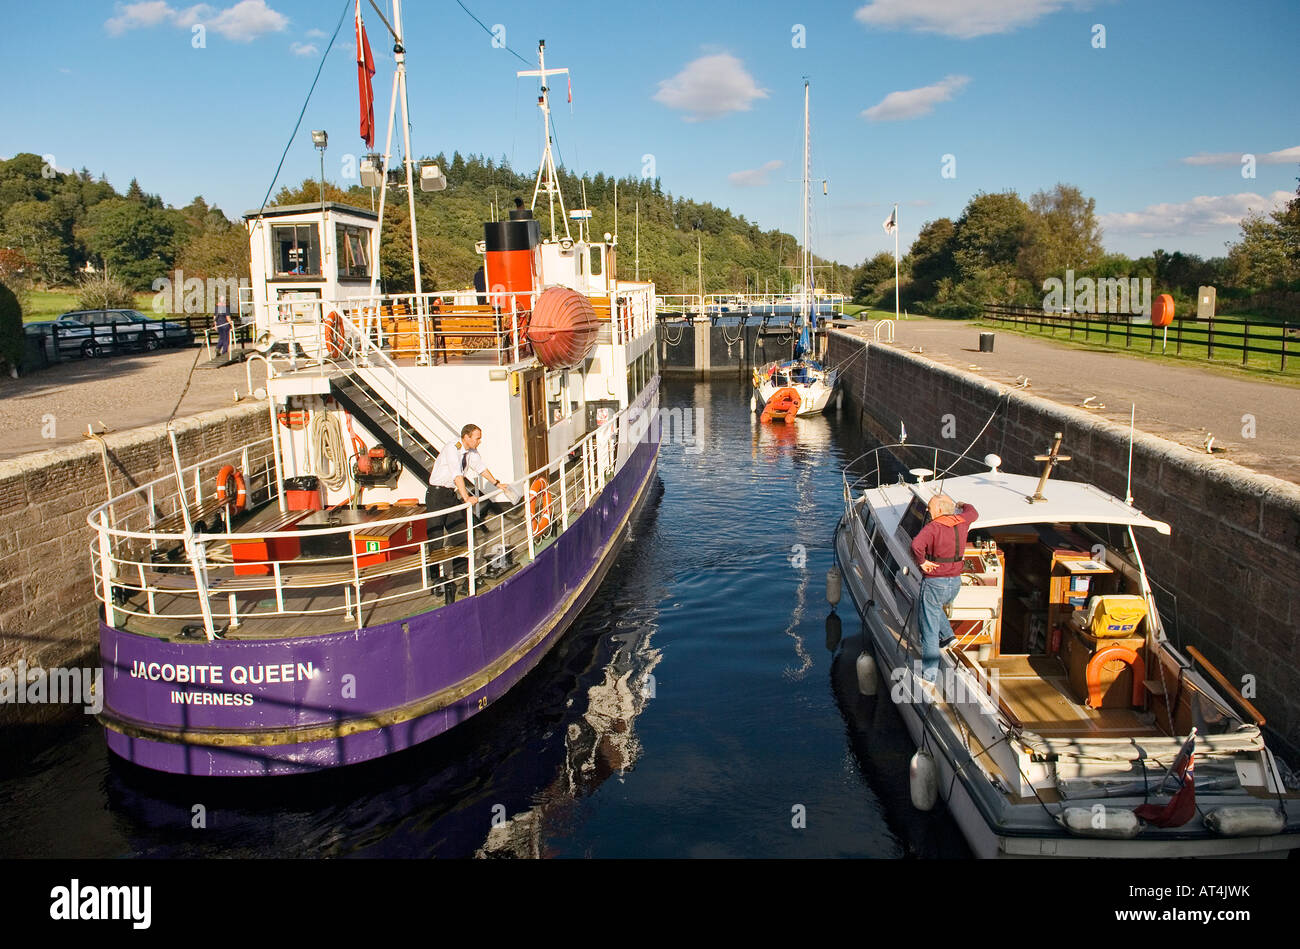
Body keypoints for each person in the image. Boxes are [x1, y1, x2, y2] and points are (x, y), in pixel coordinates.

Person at [425, 424, 507, 592]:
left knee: (461, 534)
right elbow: (457, 475)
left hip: (450, 495)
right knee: (436, 537)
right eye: (477, 438)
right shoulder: (452, 449)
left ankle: (461, 573)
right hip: (436, 495)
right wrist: (466, 498)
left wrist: (497, 483)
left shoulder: (471, 452)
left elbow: (481, 468)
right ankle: (436, 580)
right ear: (467, 437)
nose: (479, 441)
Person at [909, 493, 979, 682]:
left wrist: (922, 562)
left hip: (935, 582)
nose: (927, 510)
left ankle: (929, 675)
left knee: (929, 630)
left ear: (939, 510)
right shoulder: (963, 520)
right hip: (955, 582)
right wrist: (963, 503)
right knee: (934, 607)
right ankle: (948, 636)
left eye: (930, 507)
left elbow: (916, 545)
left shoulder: (933, 527)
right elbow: (973, 511)